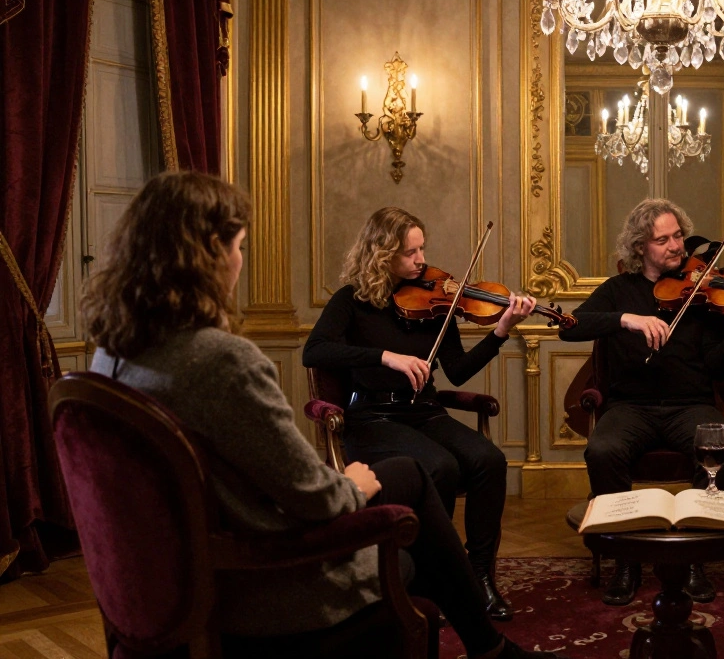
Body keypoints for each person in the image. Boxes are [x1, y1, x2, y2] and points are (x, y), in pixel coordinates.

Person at [82, 172, 562, 659]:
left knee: (442, 467)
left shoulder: (111, 360)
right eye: (240, 247)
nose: (240, 261)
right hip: (260, 579)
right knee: (415, 481)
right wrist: (354, 483)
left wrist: (501, 329)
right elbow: (313, 499)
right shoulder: (225, 361)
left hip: (177, 574)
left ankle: (480, 603)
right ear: (207, 253)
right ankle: (488, 645)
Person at [303, 207, 534, 621]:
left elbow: (458, 370)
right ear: (382, 253)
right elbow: (315, 351)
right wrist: (386, 356)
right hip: (373, 418)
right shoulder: (351, 301)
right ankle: (431, 574)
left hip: (423, 413)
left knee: (489, 460)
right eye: (410, 252)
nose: (421, 260)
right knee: (438, 466)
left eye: (421, 248)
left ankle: (478, 576)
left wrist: (501, 331)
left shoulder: (436, 298)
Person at [558, 198, 724, 606]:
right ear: (640, 247)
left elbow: (717, 366)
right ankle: (625, 560)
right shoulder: (618, 290)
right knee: (602, 449)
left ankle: (694, 560)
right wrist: (626, 319)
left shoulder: (703, 292)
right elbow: (570, 328)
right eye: (663, 240)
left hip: (689, 406)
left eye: (678, 236)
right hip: (628, 408)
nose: (677, 246)